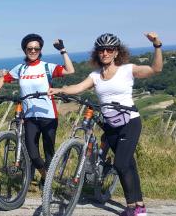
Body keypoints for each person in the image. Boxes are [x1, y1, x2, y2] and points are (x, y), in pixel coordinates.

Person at [48, 32, 163, 216]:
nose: (105, 53)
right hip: (110, 125)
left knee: (121, 164)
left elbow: (155, 69)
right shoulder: (95, 76)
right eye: (102, 50)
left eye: (110, 49)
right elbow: (78, 87)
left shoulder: (127, 69)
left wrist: (157, 45)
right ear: (97, 53)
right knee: (129, 165)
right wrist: (60, 89)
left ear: (117, 52)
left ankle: (135, 208)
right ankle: (137, 205)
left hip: (129, 122)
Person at [0, 34, 75, 188]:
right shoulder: (20, 69)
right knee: (33, 153)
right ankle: (46, 177)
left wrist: (63, 50)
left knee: (49, 152)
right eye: (30, 48)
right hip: (29, 117)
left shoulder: (47, 66)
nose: (33, 51)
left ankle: (44, 182)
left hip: (48, 116)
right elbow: (2, 79)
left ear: (40, 50)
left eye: (36, 48)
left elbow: (70, 70)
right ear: (25, 50)